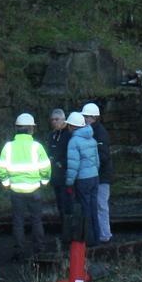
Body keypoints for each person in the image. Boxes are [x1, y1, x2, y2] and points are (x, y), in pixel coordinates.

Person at [0, 113, 51, 257]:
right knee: (36, 220)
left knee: (18, 222)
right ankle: (39, 249)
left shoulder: (8, 147)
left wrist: (6, 183)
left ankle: (19, 252)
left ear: (17, 128)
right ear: (31, 129)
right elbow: (46, 168)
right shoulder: (37, 147)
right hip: (34, 189)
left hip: (16, 190)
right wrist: (43, 182)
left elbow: (2, 169)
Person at [64, 111, 100, 243]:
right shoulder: (92, 138)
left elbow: (74, 165)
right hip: (94, 177)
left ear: (72, 126)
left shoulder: (74, 141)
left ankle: (88, 240)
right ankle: (97, 237)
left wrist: (69, 182)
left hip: (82, 180)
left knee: (85, 210)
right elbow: (97, 161)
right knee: (93, 208)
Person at [81, 101, 112, 243]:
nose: (84, 119)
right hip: (96, 175)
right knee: (97, 206)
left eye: (86, 116)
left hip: (102, 176)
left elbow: (104, 156)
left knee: (100, 205)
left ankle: (105, 235)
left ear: (94, 117)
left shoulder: (100, 133)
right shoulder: (91, 132)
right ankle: (99, 234)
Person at [45, 108, 72, 233]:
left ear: (63, 119)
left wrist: (62, 163)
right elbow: (49, 150)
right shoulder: (52, 135)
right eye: (52, 120)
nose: (54, 122)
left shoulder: (69, 134)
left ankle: (69, 230)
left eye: (57, 119)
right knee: (60, 204)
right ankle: (64, 229)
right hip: (55, 176)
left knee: (67, 204)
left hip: (65, 175)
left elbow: (72, 154)